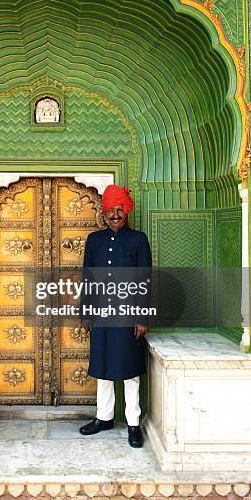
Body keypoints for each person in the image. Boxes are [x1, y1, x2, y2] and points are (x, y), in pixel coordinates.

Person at [79, 184, 152, 448]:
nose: (115, 214)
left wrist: (141, 317)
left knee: (130, 370)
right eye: (111, 210)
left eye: (119, 209)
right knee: (103, 368)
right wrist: (85, 312)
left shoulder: (137, 240)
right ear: (104, 213)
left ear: (126, 211)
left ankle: (133, 423)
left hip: (128, 314)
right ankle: (104, 417)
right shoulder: (94, 240)